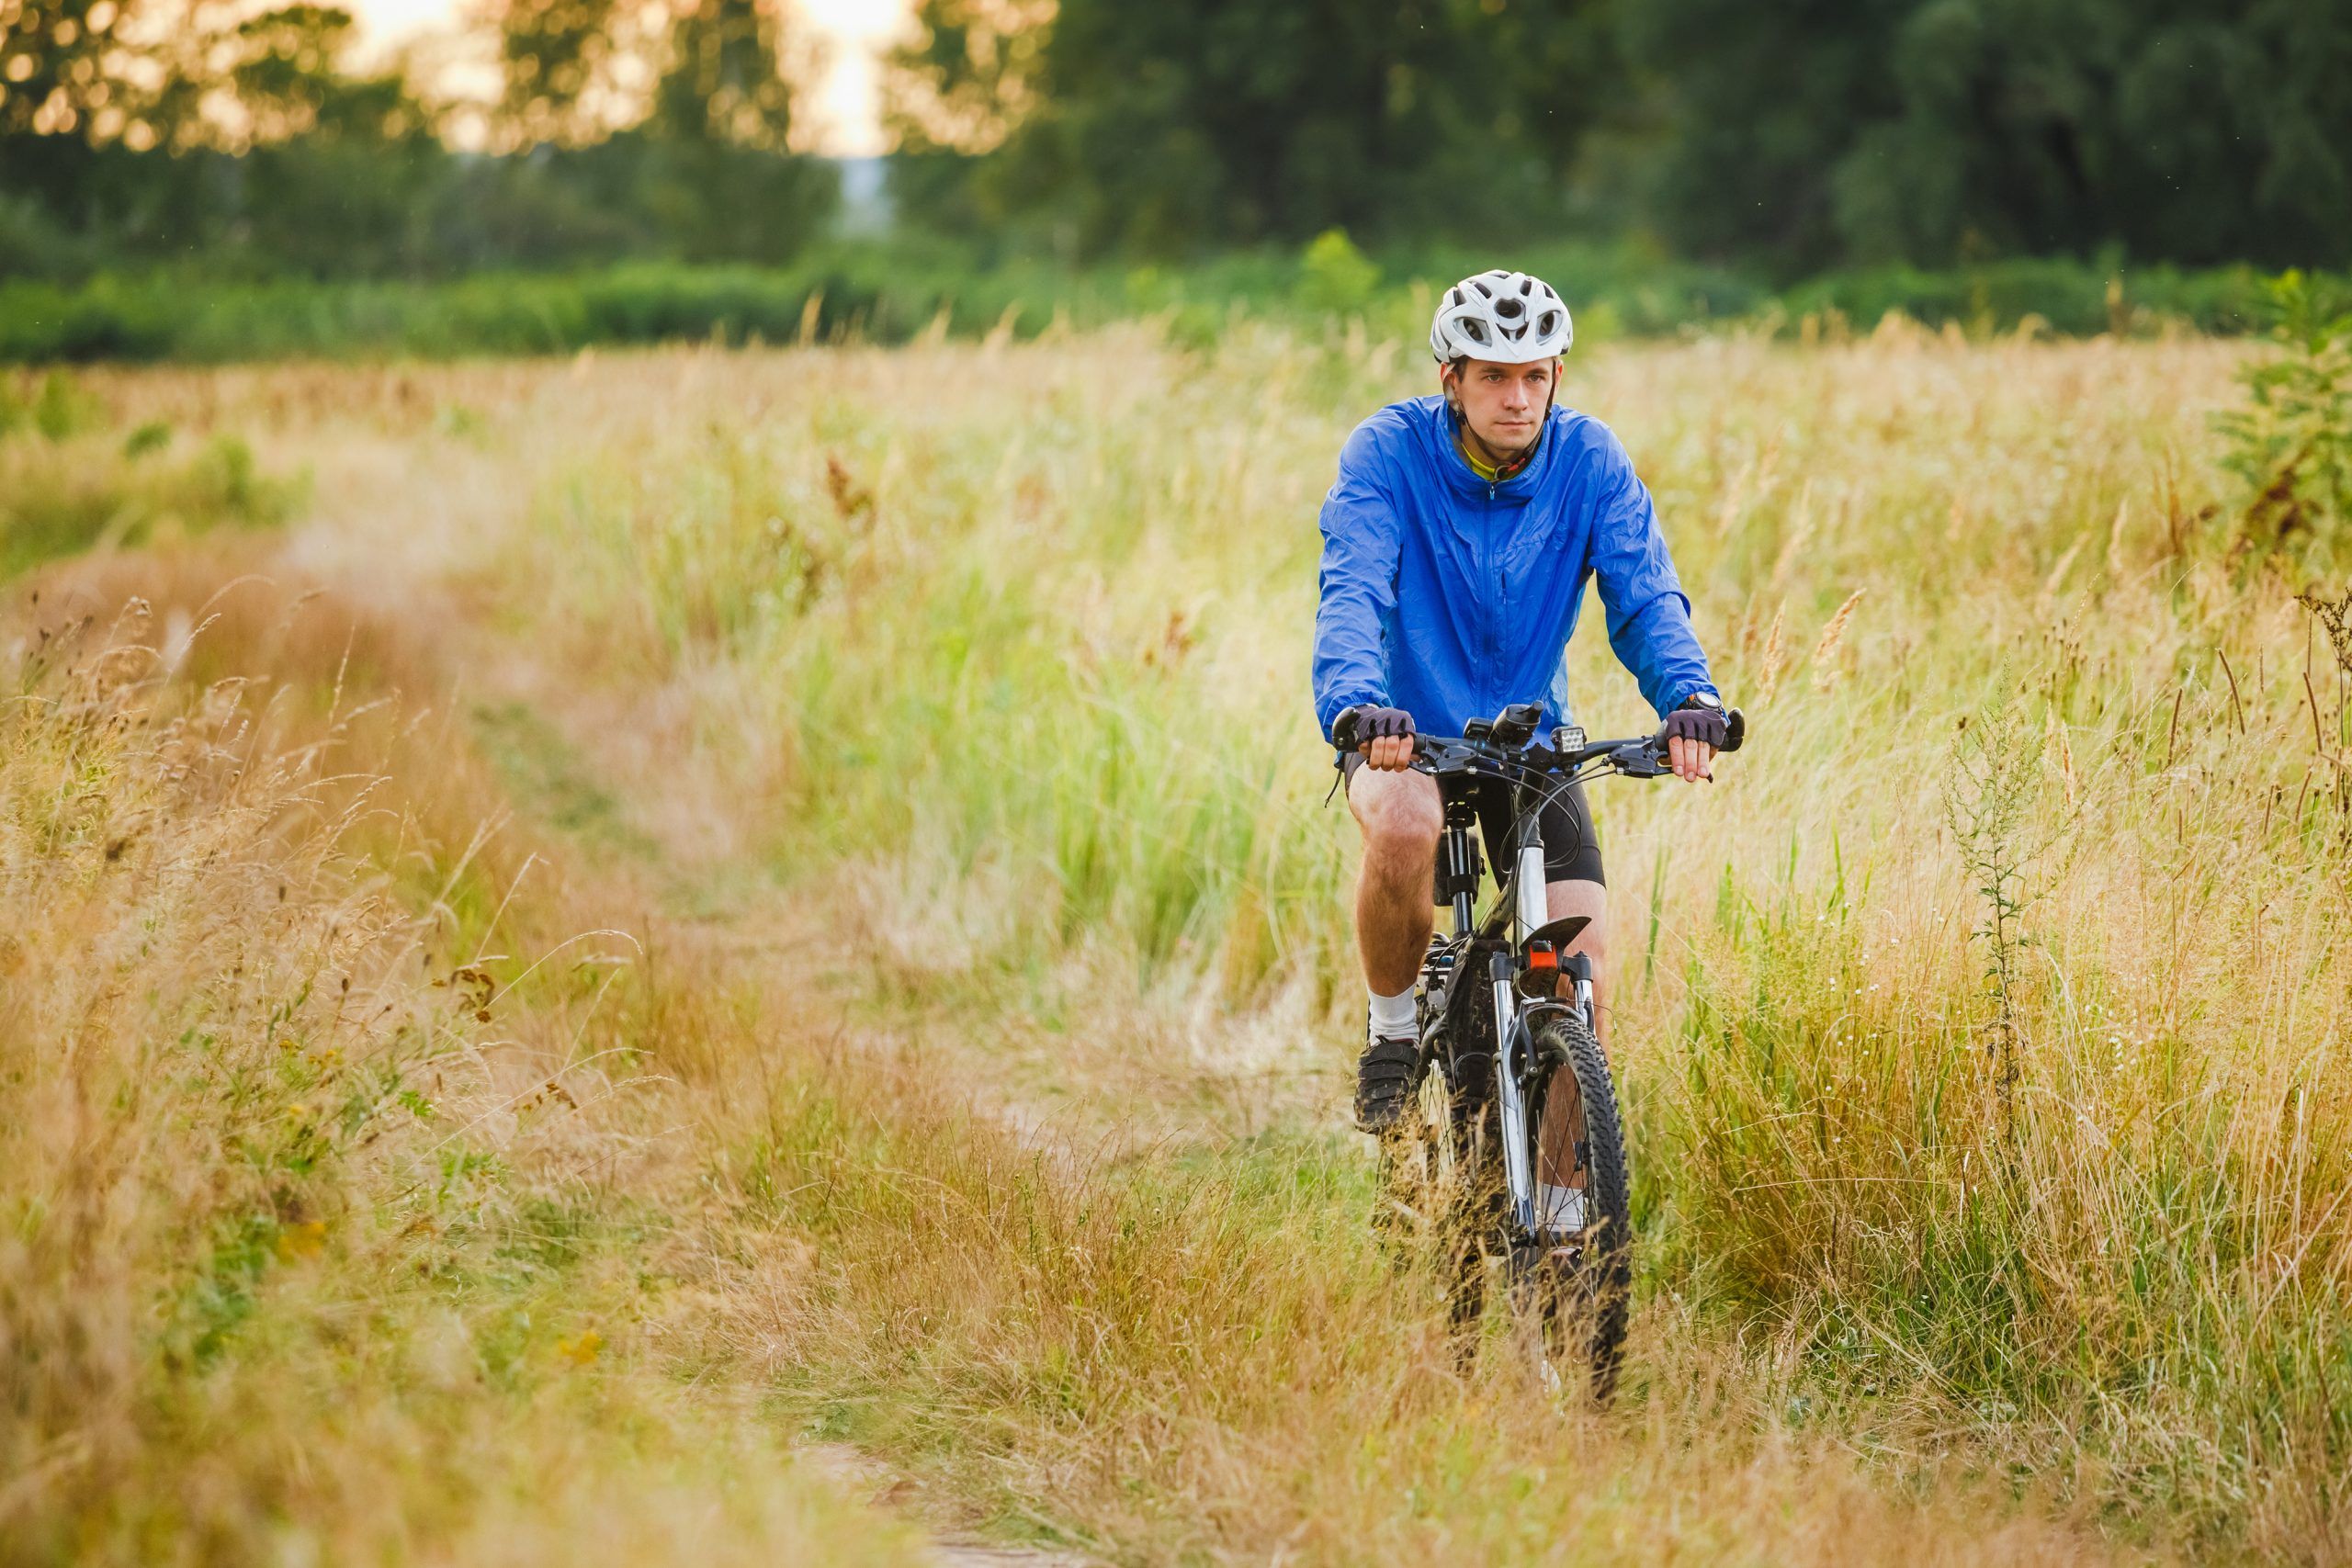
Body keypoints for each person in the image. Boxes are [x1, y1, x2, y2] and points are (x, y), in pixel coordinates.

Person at [1312, 268, 1727, 1232]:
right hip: (1400, 738)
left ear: (1557, 376)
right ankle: (1392, 1028)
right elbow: (1354, 589)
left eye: (1535, 376)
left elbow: (1643, 595)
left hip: (1526, 743)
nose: (1516, 397)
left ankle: (1561, 1227)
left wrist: (1690, 700)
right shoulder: (1387, 452)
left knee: (1578, 982)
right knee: (1407, 827)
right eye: (1493, 376)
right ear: (1450, 377)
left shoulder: (1588, 460)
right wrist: (1357, 708)